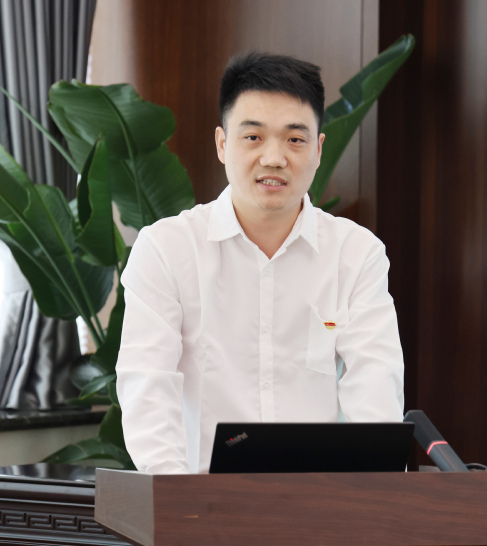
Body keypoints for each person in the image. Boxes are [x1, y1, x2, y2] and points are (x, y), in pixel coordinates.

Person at [116, 52, 404, 474]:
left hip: (319, 502)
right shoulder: (167, 249)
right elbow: (148, 388)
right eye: (253, 137)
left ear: (318, 149)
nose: (274, 158)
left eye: (295, 139)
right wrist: (179, 503)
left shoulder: (356, 254)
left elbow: (375, 392)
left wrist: (371, 499)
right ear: (222, 144)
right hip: (202, 501)